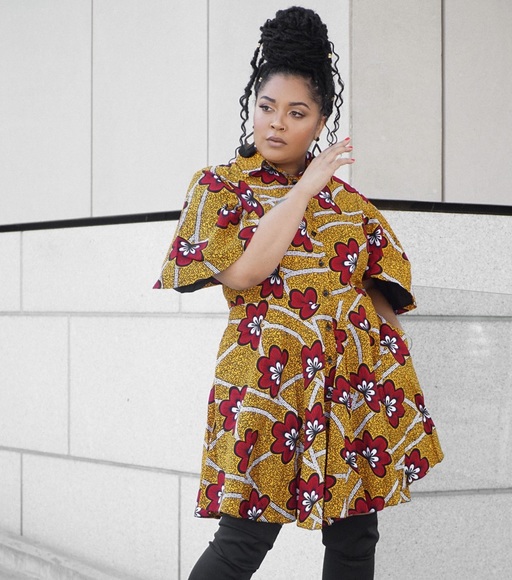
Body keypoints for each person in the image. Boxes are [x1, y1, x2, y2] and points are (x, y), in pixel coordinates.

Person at [155, 6, 443, 579]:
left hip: (351, 390)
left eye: (296, 112)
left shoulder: (350, 205)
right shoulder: (221, 187)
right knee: (242, 542)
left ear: (320, 121)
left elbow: (382, 298)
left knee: (356, 540)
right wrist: (304, 190)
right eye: (266, 107)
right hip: (266, 385)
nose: (276, 124)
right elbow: (245, 274)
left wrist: (390, 383)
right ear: (251, 107)